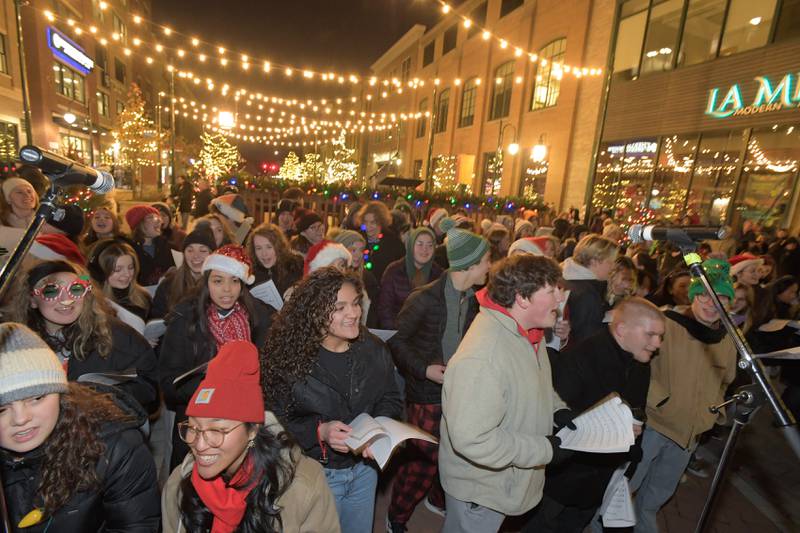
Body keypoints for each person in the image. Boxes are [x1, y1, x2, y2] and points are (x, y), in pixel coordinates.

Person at [262, 268, 403, 533]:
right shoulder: (289, 356)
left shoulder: (373, 347)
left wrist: (378, 430)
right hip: (314, 472)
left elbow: (390, 397)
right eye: (339, 307)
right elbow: (272, 418)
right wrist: (319, 431)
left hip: (364, 472)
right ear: (315, 313)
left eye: (355, 303)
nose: (353, 313)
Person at [438, 254, 572, 533]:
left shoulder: (530, 333)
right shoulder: (484, 357)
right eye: (552, 291)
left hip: (503, 482)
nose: (560, 300)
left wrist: (557, 409)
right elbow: (473, 439)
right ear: (523, 298)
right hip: (481, 492)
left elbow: (533, 384)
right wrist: (545, 449)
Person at [162, 340, 340, 533]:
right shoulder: (178, 485)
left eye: (217, 430)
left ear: (253, 430)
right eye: (194, 428)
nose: (200, 444)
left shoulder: (302, 485)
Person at [0, 322, 161, 532]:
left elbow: (137, 525)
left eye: (37, 398)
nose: (20, 419)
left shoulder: (114, 447)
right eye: (1, 409)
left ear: (59, 392)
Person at [525, 298, 665, 532]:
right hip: (561, 482)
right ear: (622, 329)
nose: (657, 343)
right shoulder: (583, 356)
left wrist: (632, 427)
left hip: (596, 482)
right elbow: (556, 416)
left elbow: (635, 409)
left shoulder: (640, 362)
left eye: (660, 336)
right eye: (651, 334)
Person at [386, 221, 489, 532]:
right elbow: (396, 341)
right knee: (422, 459)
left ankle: (436, 497)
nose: (489, 266)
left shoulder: (475, 299)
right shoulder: (425, 298)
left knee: (453, 453)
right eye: (485, 260)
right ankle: (397, 516)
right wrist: (425, 369)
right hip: (427, 395)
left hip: (460, 391)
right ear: (469, 265)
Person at [628, 259, 737, 533]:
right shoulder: (666, 324)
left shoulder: (728, 339)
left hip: (690, 435)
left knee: (657, 496)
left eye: (720, 297)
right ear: (693, 296)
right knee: (623, 488)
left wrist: (713, 412)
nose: (711, 303)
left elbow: (726, 381)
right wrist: (656, 403)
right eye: (704, 295)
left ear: (729, 302)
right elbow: (636, 366)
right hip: (655, 425)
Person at [159, 245, 275, 469]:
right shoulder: (186, 319)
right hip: (200, 425)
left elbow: (270, 373)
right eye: (218, 281)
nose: (227, 290)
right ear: (206, 282)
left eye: (234, 281)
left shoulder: (259, 317)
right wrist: (214, 383)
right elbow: (169, 384)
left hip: (244, 424)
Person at [7, 260, 159, 414]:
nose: (67, 299)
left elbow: (148, 387)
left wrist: (99, 398)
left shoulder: (115, 336)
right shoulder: (14, 346)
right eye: (51, 291)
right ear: (32, 300)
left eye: (76, 289)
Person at [378, 226, 443, 330]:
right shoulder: (393, 271)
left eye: (430, 245)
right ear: (411, 245)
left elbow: (441, 311)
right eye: (419, 244)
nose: (425, 249)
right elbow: (385, 310)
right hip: (397, 334)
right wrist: (395, 336)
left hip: (427, 339)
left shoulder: (439, 275)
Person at [561, 234, 619, 344]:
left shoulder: (568, 278)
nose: (613, 267)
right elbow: (588, 340)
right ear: (594, 261)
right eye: (610, 262)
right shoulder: (587, 295)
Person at [151, 227, 217, 319]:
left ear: (212, 254)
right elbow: (155, 319)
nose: (196, 256)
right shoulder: (168, 285)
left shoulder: (218, 285)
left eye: (203, 251)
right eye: (190, 250)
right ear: (184, 253)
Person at [87, 239, 152, 321]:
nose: (127, 274)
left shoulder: (144, 297)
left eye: (130, 267)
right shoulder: (92, 303)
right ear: (99, 273)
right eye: (117, 270)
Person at [247, 222, 304, 298]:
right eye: (259, 248)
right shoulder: (250, 271)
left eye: (269, 247)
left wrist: (297, 288)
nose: (264, 254)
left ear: (278, 247)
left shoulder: (294, 265)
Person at [354, 201, 405, 283]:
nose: (368, 227)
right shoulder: (358, 238)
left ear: (381, 222)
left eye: (373, 222)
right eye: (366, 222)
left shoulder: (393, 242)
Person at [126, 204, 175, 287]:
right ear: (139, 224)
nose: (159, 221)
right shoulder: (128, 250)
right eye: (151, 217)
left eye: (158, 217)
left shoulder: (166, 246)